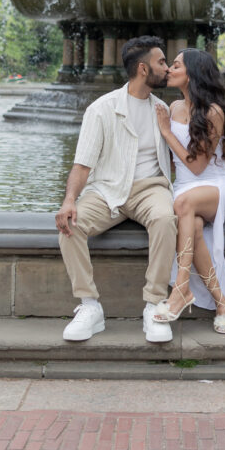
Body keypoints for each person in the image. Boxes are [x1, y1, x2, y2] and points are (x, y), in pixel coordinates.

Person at [55, 36, 176, 343]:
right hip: (107, 190)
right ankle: (89, 306)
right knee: (70, 224)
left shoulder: (163, 109)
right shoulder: (101, 109)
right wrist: (69, 201)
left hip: (151, 189)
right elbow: (82, 165)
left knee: (165, 219)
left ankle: (154, 305)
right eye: (161, 62)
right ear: (143, 69)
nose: (167, 67)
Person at [152, 49, 225, 334]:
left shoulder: (213, 112)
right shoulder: (174, 107)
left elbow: (199, 166)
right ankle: (222, 304)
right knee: (195, 225)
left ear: (191, 73)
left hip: (216, 184)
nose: (169, 70)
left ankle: (180, 290)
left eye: (175, 66)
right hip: (185, 189)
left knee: (185, 204)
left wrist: (166, 133)